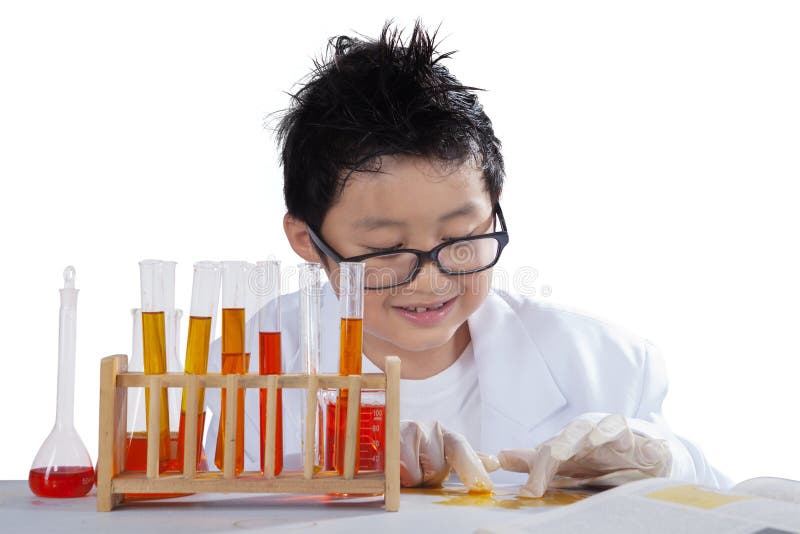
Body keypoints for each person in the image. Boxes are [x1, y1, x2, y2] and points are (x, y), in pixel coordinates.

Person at [204, 20, 731, 497]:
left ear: (494, 212)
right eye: (387, 249)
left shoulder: (606, 364)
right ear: (306, 241)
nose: (430, 280)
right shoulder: (243, 363)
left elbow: (730, 510)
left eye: (459, 238)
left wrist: (673, 463)